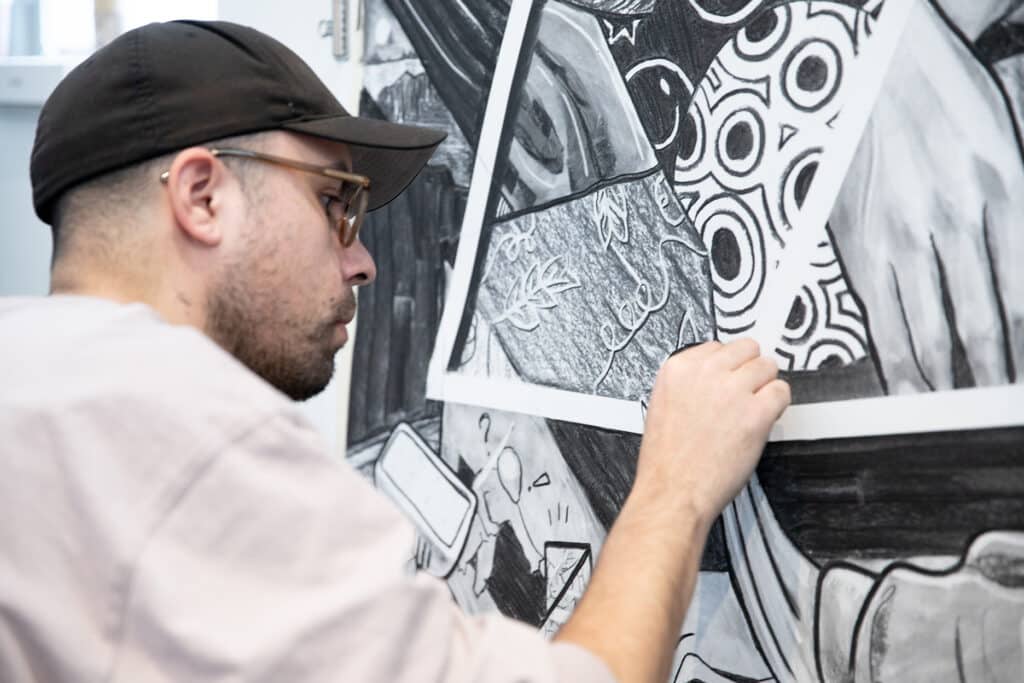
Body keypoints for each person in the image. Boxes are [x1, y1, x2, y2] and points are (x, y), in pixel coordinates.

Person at [0, 20, 790, 683]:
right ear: (203, 196)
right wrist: (674, 490)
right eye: (333, 202)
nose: (363, 260)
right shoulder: (187, 434)